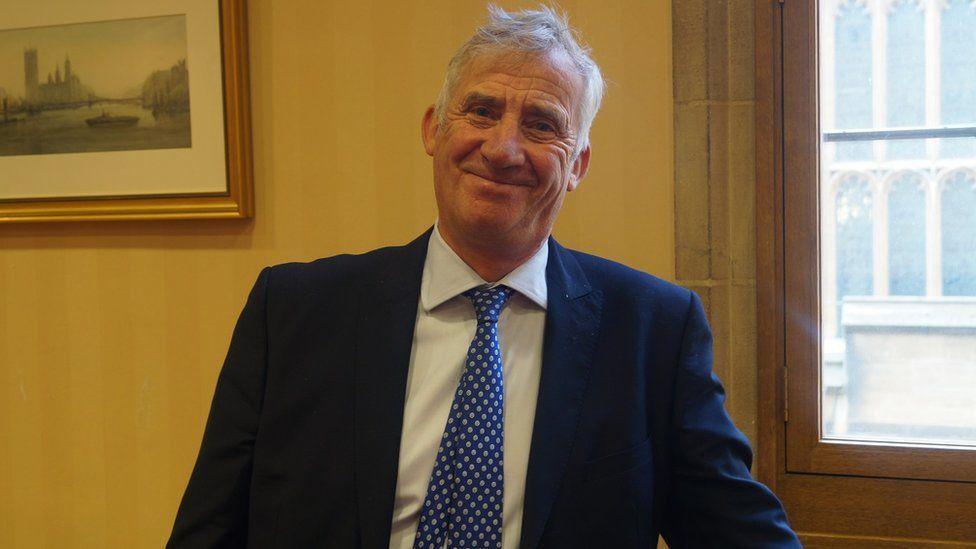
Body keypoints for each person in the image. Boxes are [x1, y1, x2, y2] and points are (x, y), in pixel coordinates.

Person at [167, 5, 801, 548]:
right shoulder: (294, 313)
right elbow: (209, 530)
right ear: (433, 130)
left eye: (542, 125)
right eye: (481, 111)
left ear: (577, 164)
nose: (503, 149)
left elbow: (737, 529)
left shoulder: (654, 330)